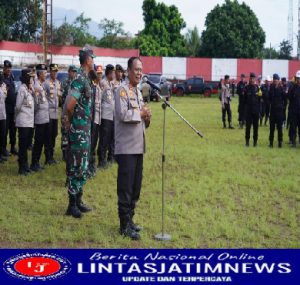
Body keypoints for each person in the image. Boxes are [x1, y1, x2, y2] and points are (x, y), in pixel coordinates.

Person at [114, 57, 151, 240]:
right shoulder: (121, 90)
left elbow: (141, 116)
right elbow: (122, 114)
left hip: (138, 147)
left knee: (136, 187)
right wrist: (140, 113)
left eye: (141, 69)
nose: (139, 72)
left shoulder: (137, 91)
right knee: (126, 188)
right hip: (126, 148)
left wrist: (147, 117)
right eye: (136, 69)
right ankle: (123, 225)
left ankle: (130, 220)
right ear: (128, 71)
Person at [64, 45, 94, 218]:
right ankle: (71, 205)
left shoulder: (86, 79)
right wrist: (70, 122)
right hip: (79, 130)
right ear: (87, 59)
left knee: (83, 165)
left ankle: (79, 200)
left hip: (85, 130)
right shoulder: (79, 80)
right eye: (92, 58)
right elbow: (69, 105)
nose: (94, 60)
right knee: (76, 166)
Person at [15, 68, 35, 175]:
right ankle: (21, 168)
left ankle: (26, 166)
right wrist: (17, 118)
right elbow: (18, 106)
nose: (32, 78)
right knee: (22, 146)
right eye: (30, 76)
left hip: (29, 122)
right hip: (23, 122)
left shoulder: (28, 89)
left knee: (26, 145)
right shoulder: (22, 89)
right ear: (26, 77)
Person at [30, 64, 49, 171]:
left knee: (41, 142)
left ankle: (36, 162)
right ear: (40, 74)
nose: (46, 75)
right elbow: (36, 105)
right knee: (38, 142)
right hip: (40, 118)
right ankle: (34, 163)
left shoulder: (41, 85)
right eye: (45, 73)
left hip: (44, 118)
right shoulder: (37, 86)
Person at [99, 64, 115, 168]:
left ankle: (107, 158)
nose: (114, 74)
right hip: (105, 116)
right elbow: (99, 99)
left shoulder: (110, 84)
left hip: (111, 116)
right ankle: (101, 161)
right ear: (109, 73)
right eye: (113, 72)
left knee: (109, 138)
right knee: (104, 139)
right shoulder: (103, 83)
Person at [44, 63, 61, 164]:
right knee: (48, 135)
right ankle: (48, 156)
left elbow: (59, 96)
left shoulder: (58, 83)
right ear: (50, 72)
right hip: (48, 113)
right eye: (53, 71)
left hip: (55, 114)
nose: (55, 73)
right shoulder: (46, 83)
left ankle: (52, 155)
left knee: (54, 134)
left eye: (56, 71)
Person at [61, 65, 77, 161]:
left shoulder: (76, 83)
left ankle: (69, 152)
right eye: (72, 71)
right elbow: (62, 97)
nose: (74, 73)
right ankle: (64, 154)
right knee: (64, 134)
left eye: (75, 72)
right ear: (69, 72)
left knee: (71, 133)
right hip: (66, 110)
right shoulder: (65, 83)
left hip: (72, 112)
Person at [89, 66, 102, 175]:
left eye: (101, 74)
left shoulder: (98, 87)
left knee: (94, 143)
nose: (100, 76)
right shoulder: (93, 87)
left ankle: (92, 165)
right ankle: (89, 166)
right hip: (92, 120)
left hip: (97, 120)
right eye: (98, 74)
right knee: (91, 144)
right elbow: (92, 106)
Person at [3, 60, 18, 156]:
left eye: (10, 68)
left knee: (13, 129)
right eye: (7, 68)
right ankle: (3, 149)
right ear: (4, 68)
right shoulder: (1, 78)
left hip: (13, 108)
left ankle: (13, 147)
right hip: (5, 108)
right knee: (4, 130)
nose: (9, 69)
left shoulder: (12, 77)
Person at [268, 74, 286, 148]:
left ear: (279, 81)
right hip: (272, 110)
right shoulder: (271, 88)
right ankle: (271, 143)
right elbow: (269, 98)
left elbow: (285, 99)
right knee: (272, 128)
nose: (275, 81)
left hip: (279, 111)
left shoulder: (281, 88)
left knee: (279, 128)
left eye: (277, 79)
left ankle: (280, 142)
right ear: (273, 80)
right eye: (274, 79)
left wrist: (282, 107)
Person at [244, 73, 260, 147]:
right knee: (248, 127)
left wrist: (260, 111)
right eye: (251, 78)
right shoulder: (246, 88)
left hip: (256, 111)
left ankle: (255, 142)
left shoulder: (258, 88)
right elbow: (244, 100)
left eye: (253, 78)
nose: (252, 80)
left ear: (255, 79)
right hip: (248, 111)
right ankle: (247, 142)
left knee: (256, 127)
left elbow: (260, 100)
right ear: (249, 79)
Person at [288, 70, 300, 148]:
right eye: (298, 78)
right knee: (293, 127)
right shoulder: (292, 88)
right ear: (296, 78)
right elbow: (289, 98)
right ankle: (293, 142)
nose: (299, 80)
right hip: (293, 111)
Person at [0, 71, 7, 163]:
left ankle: (1, 154)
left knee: (2, 135)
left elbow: (5, 97)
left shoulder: (3, 87)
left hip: (3, 114)